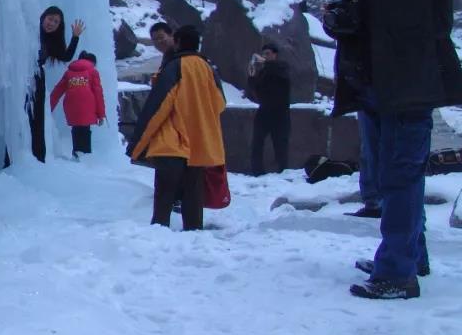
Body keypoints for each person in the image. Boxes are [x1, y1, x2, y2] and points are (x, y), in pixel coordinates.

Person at [327, 0, 462, 299]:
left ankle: (397, 273)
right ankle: (409, 256)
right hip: (370, 82)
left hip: (410, 80)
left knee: (401, 176)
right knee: (389, 178)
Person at [125, 25, 226, 231]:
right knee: (194, 195)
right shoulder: (207, 68)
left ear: (177, 41)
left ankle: (159, 235)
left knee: (164, 194)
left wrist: (137, 145)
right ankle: (194, 235)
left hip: (171, 141)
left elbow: (158, 107)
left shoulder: (175, 66)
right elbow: (220, 103)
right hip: (199, 144)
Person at [29, 7, 86, 161]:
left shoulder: (51, 41)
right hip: (23, 78)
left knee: (37, 120)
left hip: (37, 80)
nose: (51, 23)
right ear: (43, 17)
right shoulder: (30, 30)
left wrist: (75, 37)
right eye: (50, 18)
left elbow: (66, 56)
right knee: (24, 118)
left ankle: (38, 158)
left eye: (56, 22)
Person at [49, 51, 106, 157]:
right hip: (88, 105)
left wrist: (48, 108)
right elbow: (98, 93)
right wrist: (101, 114)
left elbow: (58, 90)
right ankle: (86, 156)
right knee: (85, 129)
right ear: (92, 62)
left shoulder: (69, 73)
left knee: (76, 129)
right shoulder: (93, 72)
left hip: (71, 106)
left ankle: (76, 153)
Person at [246, 42, 291, 174]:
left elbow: (280, 74)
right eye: (264, 54)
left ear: (275, 55)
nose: (265, 56)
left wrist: (265, 64)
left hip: (280, 113)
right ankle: (257, 172)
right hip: (264, 111)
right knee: (256, 144)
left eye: (268, 54)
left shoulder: (282, 68)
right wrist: (252, 77)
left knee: (280, 146)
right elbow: (257, 91)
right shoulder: (264, 71)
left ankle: (283, 172)